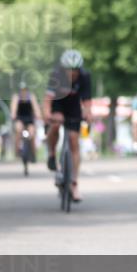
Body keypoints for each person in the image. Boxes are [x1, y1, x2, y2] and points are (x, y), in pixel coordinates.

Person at [43, 49, 93, 202]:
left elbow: (87, 102)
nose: (73, 73)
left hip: (73, 107)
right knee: (56, 124)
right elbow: (47, 100)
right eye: (69, 70)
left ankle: (74, 183)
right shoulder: (56, 76)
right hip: (58, 104)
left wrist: (88, 114)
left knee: (73, 141)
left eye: (75, 70)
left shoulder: (85, 77)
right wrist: (47, 114)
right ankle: (52, 154)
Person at [10, 81, 43, 161]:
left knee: (32, 133)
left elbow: (36, 108)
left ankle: (33, 153)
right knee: (18, 130)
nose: (23, 91)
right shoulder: (16, 97)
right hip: (20, 118)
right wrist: (13, 115)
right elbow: (13, 108)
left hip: (29, 119)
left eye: (25, 90)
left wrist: (38, 115)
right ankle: (17, 151)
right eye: (22, 90)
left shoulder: (31, 97)